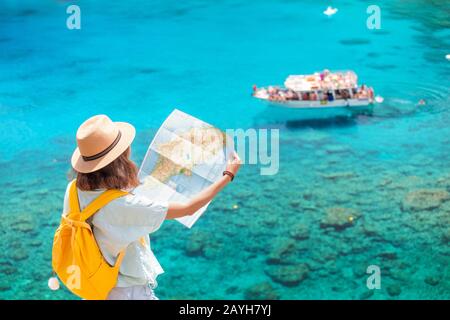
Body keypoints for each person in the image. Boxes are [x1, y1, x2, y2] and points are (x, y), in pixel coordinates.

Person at [65, 115, 241, 300]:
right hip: (127, 293)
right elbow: (189, 208)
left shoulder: (73, 190)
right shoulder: (123, 205)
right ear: (121, 155)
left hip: (95, 287)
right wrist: (228, 174)